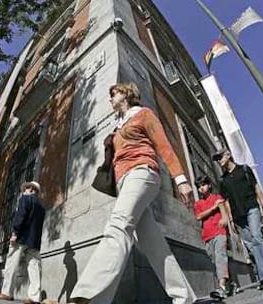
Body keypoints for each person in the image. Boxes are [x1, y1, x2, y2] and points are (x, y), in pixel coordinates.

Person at [69, 82, 196, 304]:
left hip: (142, 173)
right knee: (151, 243)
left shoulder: (144, 114)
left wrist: (181, 179)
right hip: (124, 182)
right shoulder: (117, 125)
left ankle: (90, 296)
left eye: (113, 94)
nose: (110, 98)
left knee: (118, 225)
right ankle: (184, 297)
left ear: (126, 94)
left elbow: (164, 146)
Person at [212, 148, 263, 290]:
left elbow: (257, 188)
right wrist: (230, 220)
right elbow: (226, 201)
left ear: (228, 155)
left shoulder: (244, 170)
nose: (218, 161)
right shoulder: (222, 180)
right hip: (237, 216)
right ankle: (262, 275)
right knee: (250, 247)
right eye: (217, 159)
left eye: (220, 157)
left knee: (257, 238)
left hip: (252, 208)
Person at [0, 181, 46, 304]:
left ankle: (7, 292)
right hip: (34, 240)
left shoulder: (25, 199)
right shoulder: (41, 206)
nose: (24, 190)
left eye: (26, 188)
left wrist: (15, 233)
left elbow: (20, 217)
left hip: (21, 237)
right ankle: (34, 297)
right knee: (34, 267)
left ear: (31, 189)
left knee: (12, 263)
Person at [193, 175, 229, 300]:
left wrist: (225, 218)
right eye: (198, 186)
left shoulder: (217, 197)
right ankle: (229, 284)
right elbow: (198, 216)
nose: (201, 188)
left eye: (203, 185)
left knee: (220, 257)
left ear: (208, 185)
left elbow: (223, 210)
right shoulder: (198, 204)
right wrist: (213, 208)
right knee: (214, 261)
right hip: (207, 236)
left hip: (219, 232)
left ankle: (222, 288)